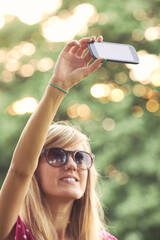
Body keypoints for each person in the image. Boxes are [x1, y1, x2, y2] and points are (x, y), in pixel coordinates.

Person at [0, 35, 117, 240]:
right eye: (56, 155)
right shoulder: (12, 231)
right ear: (34, 168)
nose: (72, 165)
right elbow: (19, 170)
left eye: (81, 157)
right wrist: (59, 84)